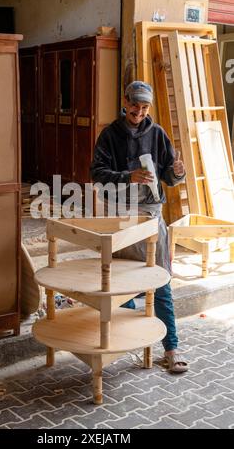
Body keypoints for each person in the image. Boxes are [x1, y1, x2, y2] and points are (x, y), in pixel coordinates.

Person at [90, 80, 188, 373]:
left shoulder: (157, 134)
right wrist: (127, 177)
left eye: (144, 107)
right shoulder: (109, 135)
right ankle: (124, 343)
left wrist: (177, 172)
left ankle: (171, 348)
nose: (139, 112)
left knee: (161, 280)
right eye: (135, 105)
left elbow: (169, 175)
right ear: (125, 101)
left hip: (150, 214)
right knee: (122, 283)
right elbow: (97, 174)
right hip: (120, 215)